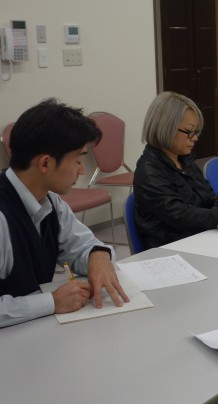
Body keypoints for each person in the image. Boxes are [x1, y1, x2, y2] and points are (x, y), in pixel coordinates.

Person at [0, 99, 129, 328]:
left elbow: (81, 245)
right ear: (45, 163)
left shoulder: (51, 203)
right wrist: (51, 302)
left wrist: (98, 255)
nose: (81, 170)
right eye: (78, 160)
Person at [133, 92, 218, 249]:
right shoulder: (148, 171)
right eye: (189, 132)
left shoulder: (185, 161)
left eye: (196, 132)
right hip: (173, 250)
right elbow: (180, 216)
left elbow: (211, 199)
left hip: (199, 240)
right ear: (167, 128)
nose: (195, 138)